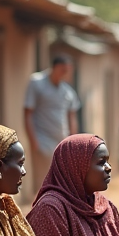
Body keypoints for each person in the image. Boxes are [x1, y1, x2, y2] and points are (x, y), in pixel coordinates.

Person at [24, 56, 80, 193]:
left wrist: (73, 141)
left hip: (61, 143)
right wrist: (33, 141)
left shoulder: (68, 92)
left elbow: (71, 117)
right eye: (63, 70)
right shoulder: (37, 83)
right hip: (42, 141)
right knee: (43, 182)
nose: (65, 73)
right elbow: (27, 113)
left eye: (68, 71)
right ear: (54, 67)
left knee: (63, 183)